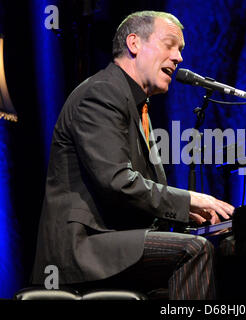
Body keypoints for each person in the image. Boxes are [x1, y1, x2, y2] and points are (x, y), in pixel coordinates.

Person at [31, 10, 234, 300]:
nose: (179, 58)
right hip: (83, 246)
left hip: (114, 238)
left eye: (181, 50)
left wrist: (188, 214)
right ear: (134, 43)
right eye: (170, 45)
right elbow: (116, 181)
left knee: (221, 248)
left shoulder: (137, 103)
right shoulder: (101, 93)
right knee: (192, 250)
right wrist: (189, 199)